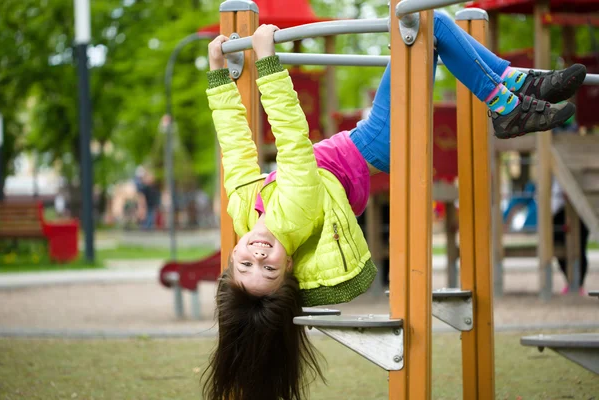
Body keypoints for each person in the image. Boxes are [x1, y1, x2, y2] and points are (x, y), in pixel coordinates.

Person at [202, 11, 587, 400]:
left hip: (360, 142)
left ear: (232, 256)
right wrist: (268, 63)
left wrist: (218, 78)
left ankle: (514, 86)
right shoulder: (294, 214)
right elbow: (290, 134)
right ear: (287, 267)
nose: (258, 254)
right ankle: (507, 101)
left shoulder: (243, 209)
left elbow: (235, 147)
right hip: (373, 145)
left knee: (430, 32)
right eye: (267, 269)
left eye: (245, 264)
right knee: (426, 24)